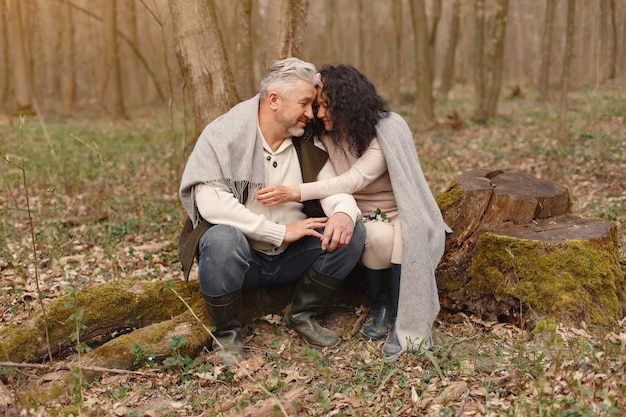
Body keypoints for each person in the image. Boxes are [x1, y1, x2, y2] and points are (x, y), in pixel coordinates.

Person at [178, 58, 366, 366]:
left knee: (353, 230)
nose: (311, 113)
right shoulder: (224, 135)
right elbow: (210, 203)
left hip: (294, 256)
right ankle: (226, 333)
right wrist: (278, 232)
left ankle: (303, 313)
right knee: (221, 239)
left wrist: (344, 213)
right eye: (305, 103)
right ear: (274, 100)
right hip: (244, 258)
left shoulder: (307, 141)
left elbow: (333, 189)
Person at [257, 64, 450, 361]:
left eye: (324, 107)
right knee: (379, 240)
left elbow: (354, 179)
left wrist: (295, 191)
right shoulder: (323, 137)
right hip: (366, 214)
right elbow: (336, 185)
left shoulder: (386, 129)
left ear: (347, 103)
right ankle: (381, 307)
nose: (319, 114)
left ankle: (404, 323)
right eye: (316, 107)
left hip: (403, 210)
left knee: (405, 242)